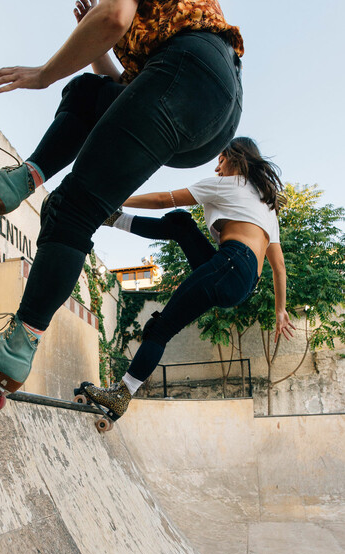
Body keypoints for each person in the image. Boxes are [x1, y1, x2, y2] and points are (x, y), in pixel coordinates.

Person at [0, 0, 244, 395]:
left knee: (72, 211)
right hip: (212, 109)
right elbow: (129, 93)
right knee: (86, 93)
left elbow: (114, 17)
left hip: (186, 75)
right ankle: (22, 180)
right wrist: (99, 48)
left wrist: (43, 74)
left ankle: (18, 345)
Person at [83, 136, 296, 418]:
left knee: (160, 329)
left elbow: (162, 199)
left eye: (220, 161)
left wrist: (114, 198)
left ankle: (122, 394)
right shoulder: (267, 205)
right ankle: (115, 219)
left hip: (229, 264)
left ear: (235, 157)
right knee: (181, 224)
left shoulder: (228, 184)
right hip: (243, 283)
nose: (217, 170)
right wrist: (280, 310)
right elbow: (278, 267)